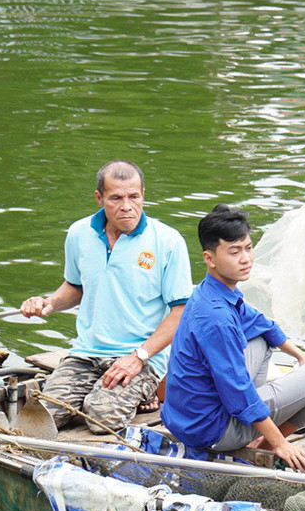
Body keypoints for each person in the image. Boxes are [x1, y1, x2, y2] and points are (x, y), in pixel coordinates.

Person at [20, 161, 192, 433]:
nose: (127, 206)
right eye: (116, 198)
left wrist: (139, 357)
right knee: (43, 418)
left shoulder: (168, 241)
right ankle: (110, 393)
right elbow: (76, 286)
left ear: (143, 194)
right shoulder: (79, 233)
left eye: (134, 196)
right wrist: (48, 303)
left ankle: (142, 392)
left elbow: (181, 312)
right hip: (86, 353)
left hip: (140, 357)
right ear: (99, 198)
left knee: (101, 420)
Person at [160, 205, 305, 467]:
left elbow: (259, 322)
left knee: (260, 337)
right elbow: (238, 393)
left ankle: (258, 428)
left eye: (248, 248)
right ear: (210, 258)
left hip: (186, 417)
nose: (246, 258)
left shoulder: (210, 290)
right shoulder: (217, 318)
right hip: (211, 431)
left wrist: (300, 356)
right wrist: (280, 443)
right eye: (234, 252)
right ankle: (263, 450)